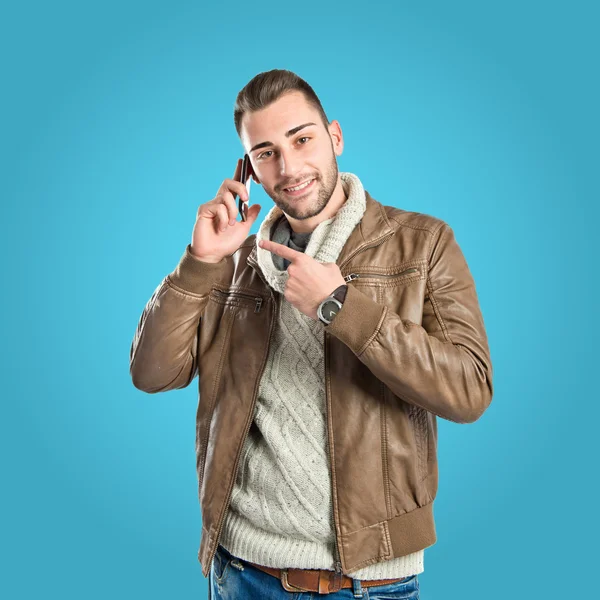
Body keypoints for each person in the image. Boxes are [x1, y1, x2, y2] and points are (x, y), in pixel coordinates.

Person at [129, 69, 493, 599]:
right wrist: (200, 262)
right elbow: (152, 374)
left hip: (372, 581)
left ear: (335, 137)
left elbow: (469, 391)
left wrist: (341, 306)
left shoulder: (423, 245)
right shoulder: (234, 263)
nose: (290, 167)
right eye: (266, 153)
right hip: (242, 573)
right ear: (247, 169)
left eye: (302, 139)